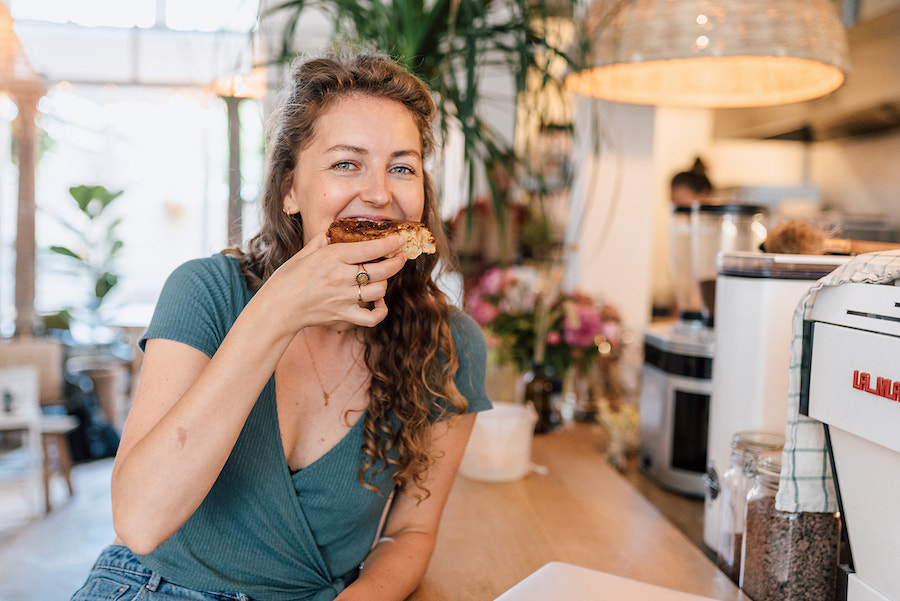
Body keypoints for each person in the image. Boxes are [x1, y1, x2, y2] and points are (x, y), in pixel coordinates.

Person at [70, 51, 491, 601]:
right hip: (154, 585)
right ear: (291, 189)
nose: (381, 193)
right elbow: (140, 521)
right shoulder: (205, 291)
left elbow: (410, 531)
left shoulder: (450, 345)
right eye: (346, 163)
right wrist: (276, 312)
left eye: (402, 167)